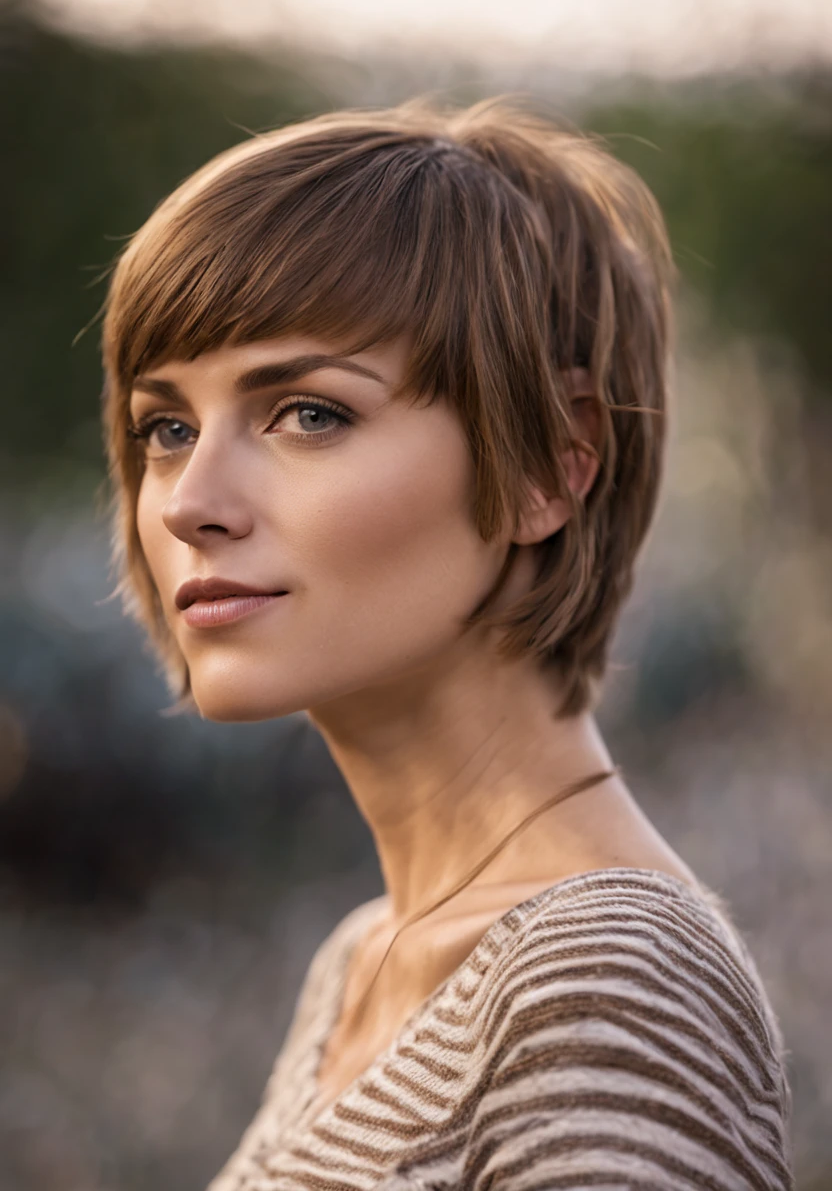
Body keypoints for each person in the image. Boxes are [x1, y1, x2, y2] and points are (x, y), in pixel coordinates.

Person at [100, 99, 793, 1190]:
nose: (190, 500)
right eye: (167, 427)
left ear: (550, 461)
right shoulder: (360, 962)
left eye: (308, 413)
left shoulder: (605, 980)